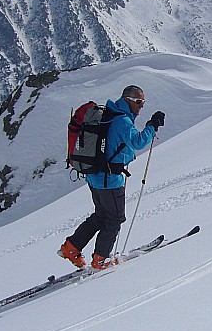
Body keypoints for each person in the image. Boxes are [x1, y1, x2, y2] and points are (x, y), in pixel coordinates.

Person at [59, 85, 165, 269]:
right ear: (127, 100)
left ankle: (71, 248)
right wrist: (152, 125)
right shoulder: (122, 121)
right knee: (115, 218)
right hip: (109, 179)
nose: (141, 106)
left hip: (94, 176)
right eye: (138, 102)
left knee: (101, 215)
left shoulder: (110, 113)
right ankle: (100, 259)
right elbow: (138, 142)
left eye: (143, 102)